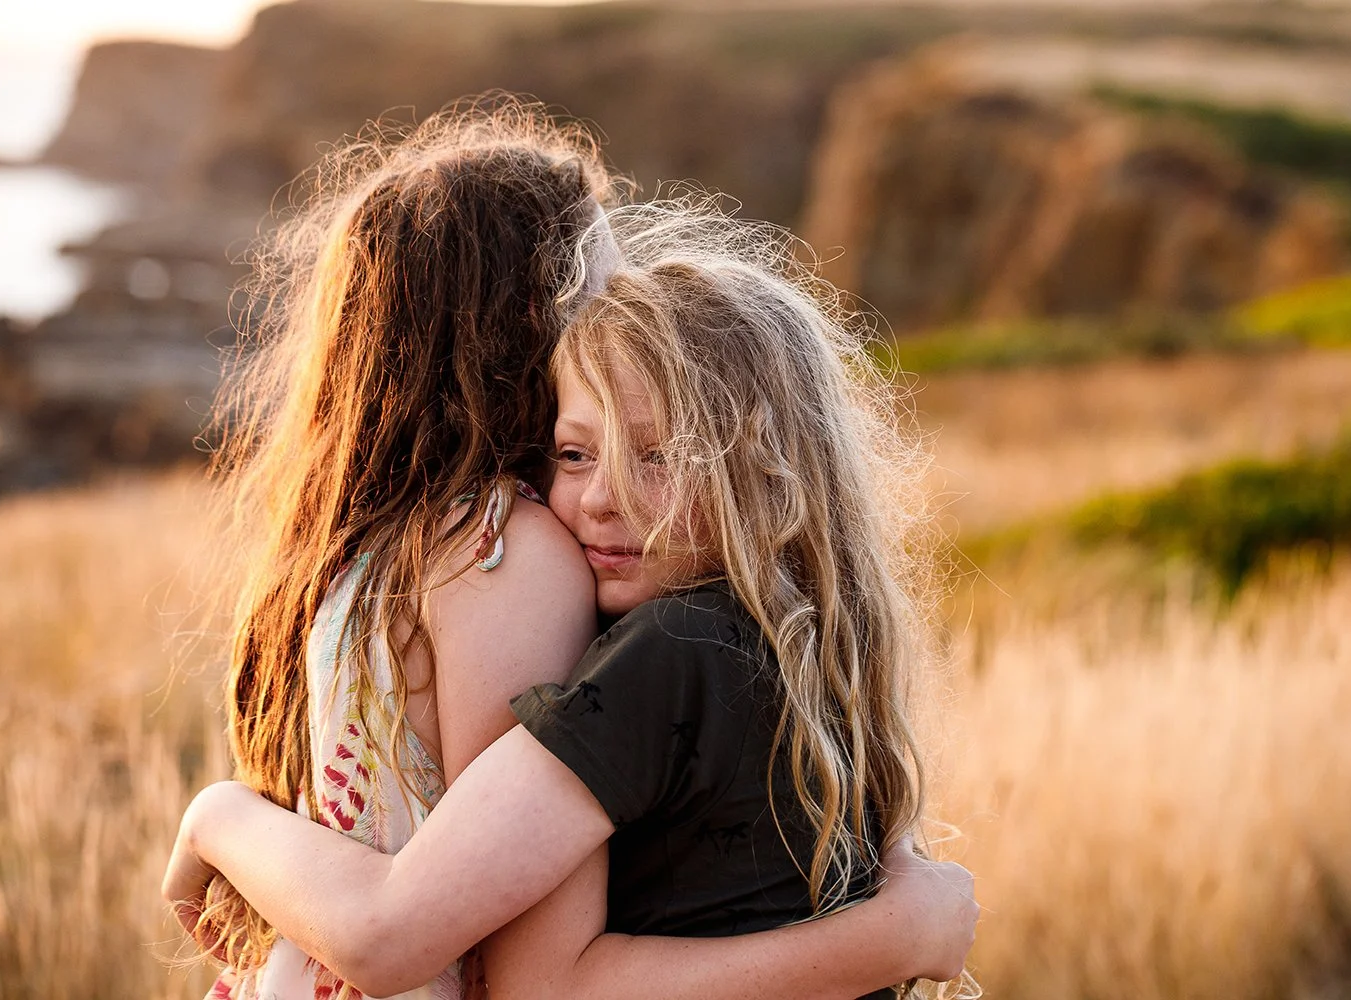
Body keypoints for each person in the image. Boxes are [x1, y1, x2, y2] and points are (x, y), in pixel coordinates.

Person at [184, 97, 976, 1000]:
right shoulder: (504, 555)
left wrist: (219, 816)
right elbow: (489, 961)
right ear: (521, 335)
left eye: (659, 453)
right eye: (600, 292)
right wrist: (896, 934)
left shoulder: (387, 556)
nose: (631, 310)